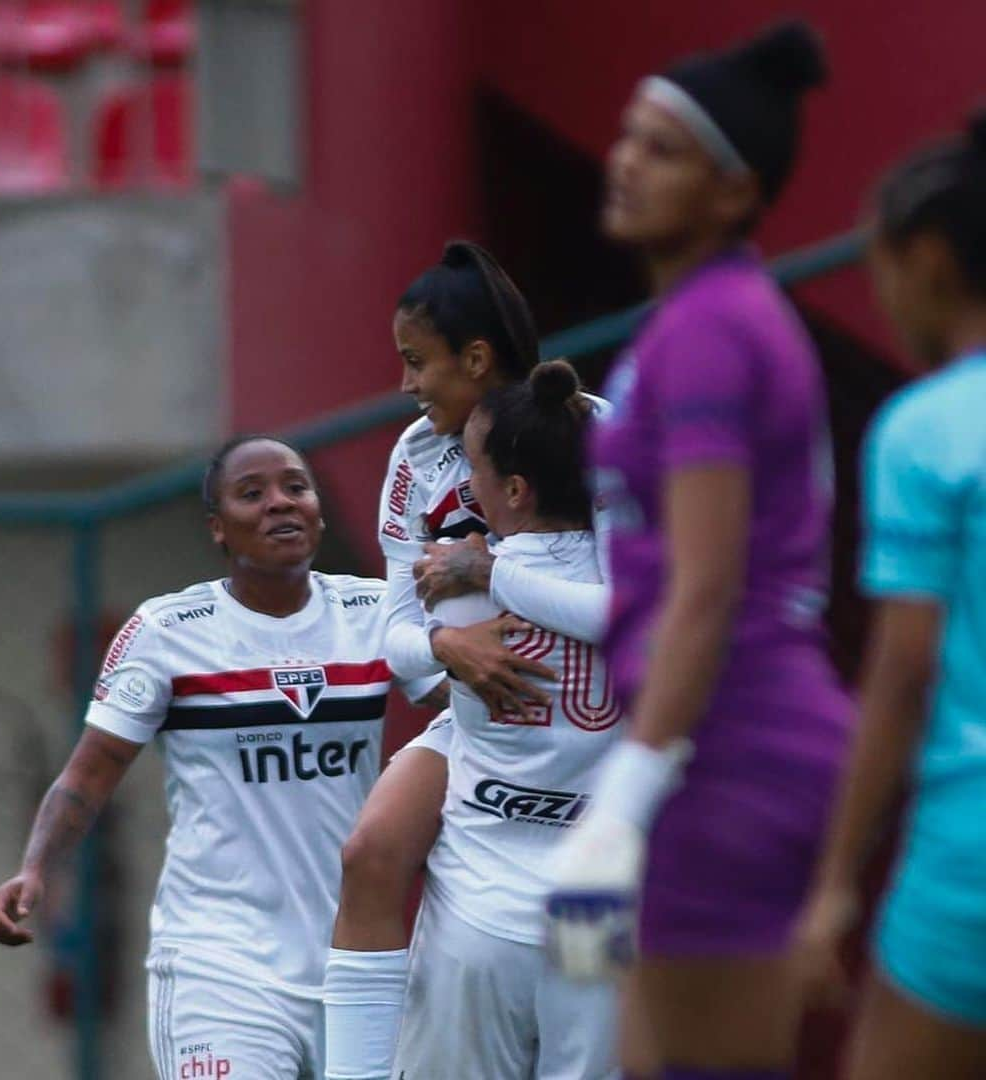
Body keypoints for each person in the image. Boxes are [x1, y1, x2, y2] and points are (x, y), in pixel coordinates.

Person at [544, 20, 851, 1080]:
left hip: (731, 748)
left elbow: (706, 586)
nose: (626, 161)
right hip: (698, 748)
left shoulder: (715, 328)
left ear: (736, 193)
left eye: (663, 148)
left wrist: (623, 796)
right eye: (628, 137)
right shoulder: (688, 324)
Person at [0, 434, 444, 1080]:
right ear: (217, 530)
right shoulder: (167, 633)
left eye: (296, 486)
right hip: (221, 968)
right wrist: (37, 868)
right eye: (251, 494)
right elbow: (88, 775)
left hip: (357, 965)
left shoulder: (373, 613)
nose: (279, 503)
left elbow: (468, 714)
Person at [324, 242, 612, 1080]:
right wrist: (449, 649)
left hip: (598, 733)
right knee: (371, 850)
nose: (407, 385)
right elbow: (397, 639)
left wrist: (496, 574)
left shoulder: (597, 433)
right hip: (484, 722)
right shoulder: (414, 458)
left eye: (418, 363)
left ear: (476, 358)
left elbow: (643, 616)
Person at [795, 114, 986, 1080]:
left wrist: (833, 884)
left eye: (882, 262)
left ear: (934, 259)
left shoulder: (926, 432)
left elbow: (901, 677)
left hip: (970, 865)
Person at [389, 360, 622, 1079]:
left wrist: (444, 629)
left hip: (479, 916)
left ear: (513, 490)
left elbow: (400, 657)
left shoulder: (456, 588)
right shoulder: (644, 592)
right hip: (596, 917)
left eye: (476, 470)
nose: (467, 484)